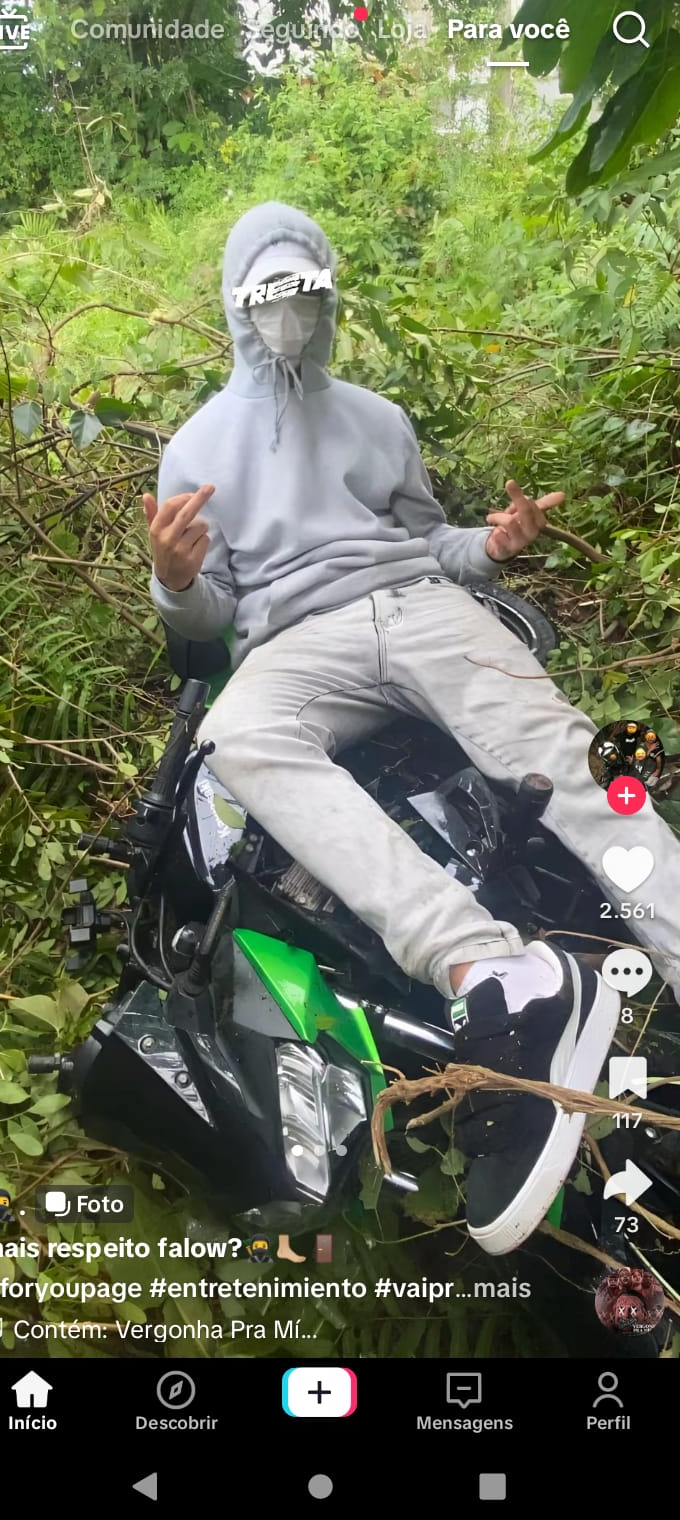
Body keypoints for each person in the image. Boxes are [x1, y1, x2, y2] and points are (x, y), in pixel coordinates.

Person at [144, 201, 680, 1256]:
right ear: (238, 304)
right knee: (239, 736)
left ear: (328, 295)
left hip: (422, 608)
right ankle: (490, 971)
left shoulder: (378, 417)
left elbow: (430, 543)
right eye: (269, 296)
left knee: (566, 753)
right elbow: (211, 622)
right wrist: (174, 581)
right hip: (295, 641)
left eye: (305, 293)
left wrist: (493, 546)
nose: (289, 314)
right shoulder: (195, 448)